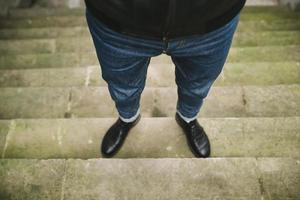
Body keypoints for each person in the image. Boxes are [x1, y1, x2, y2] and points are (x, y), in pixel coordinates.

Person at [84, 0, 246, 158]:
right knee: (123, 88)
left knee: (197, 86)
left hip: (212, 20)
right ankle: (128, 118)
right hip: (117, 20)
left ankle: (187, 118)